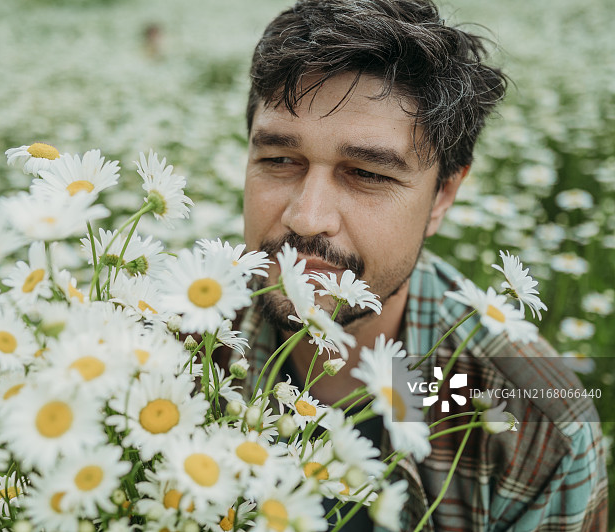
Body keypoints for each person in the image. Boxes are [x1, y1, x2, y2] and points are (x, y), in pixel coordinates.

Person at [227, 0, 609, 529]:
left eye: (367, 173)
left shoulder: (533, 423)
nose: (307, 217)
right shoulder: (159, 343)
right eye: (279, 161)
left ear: (443, 196)